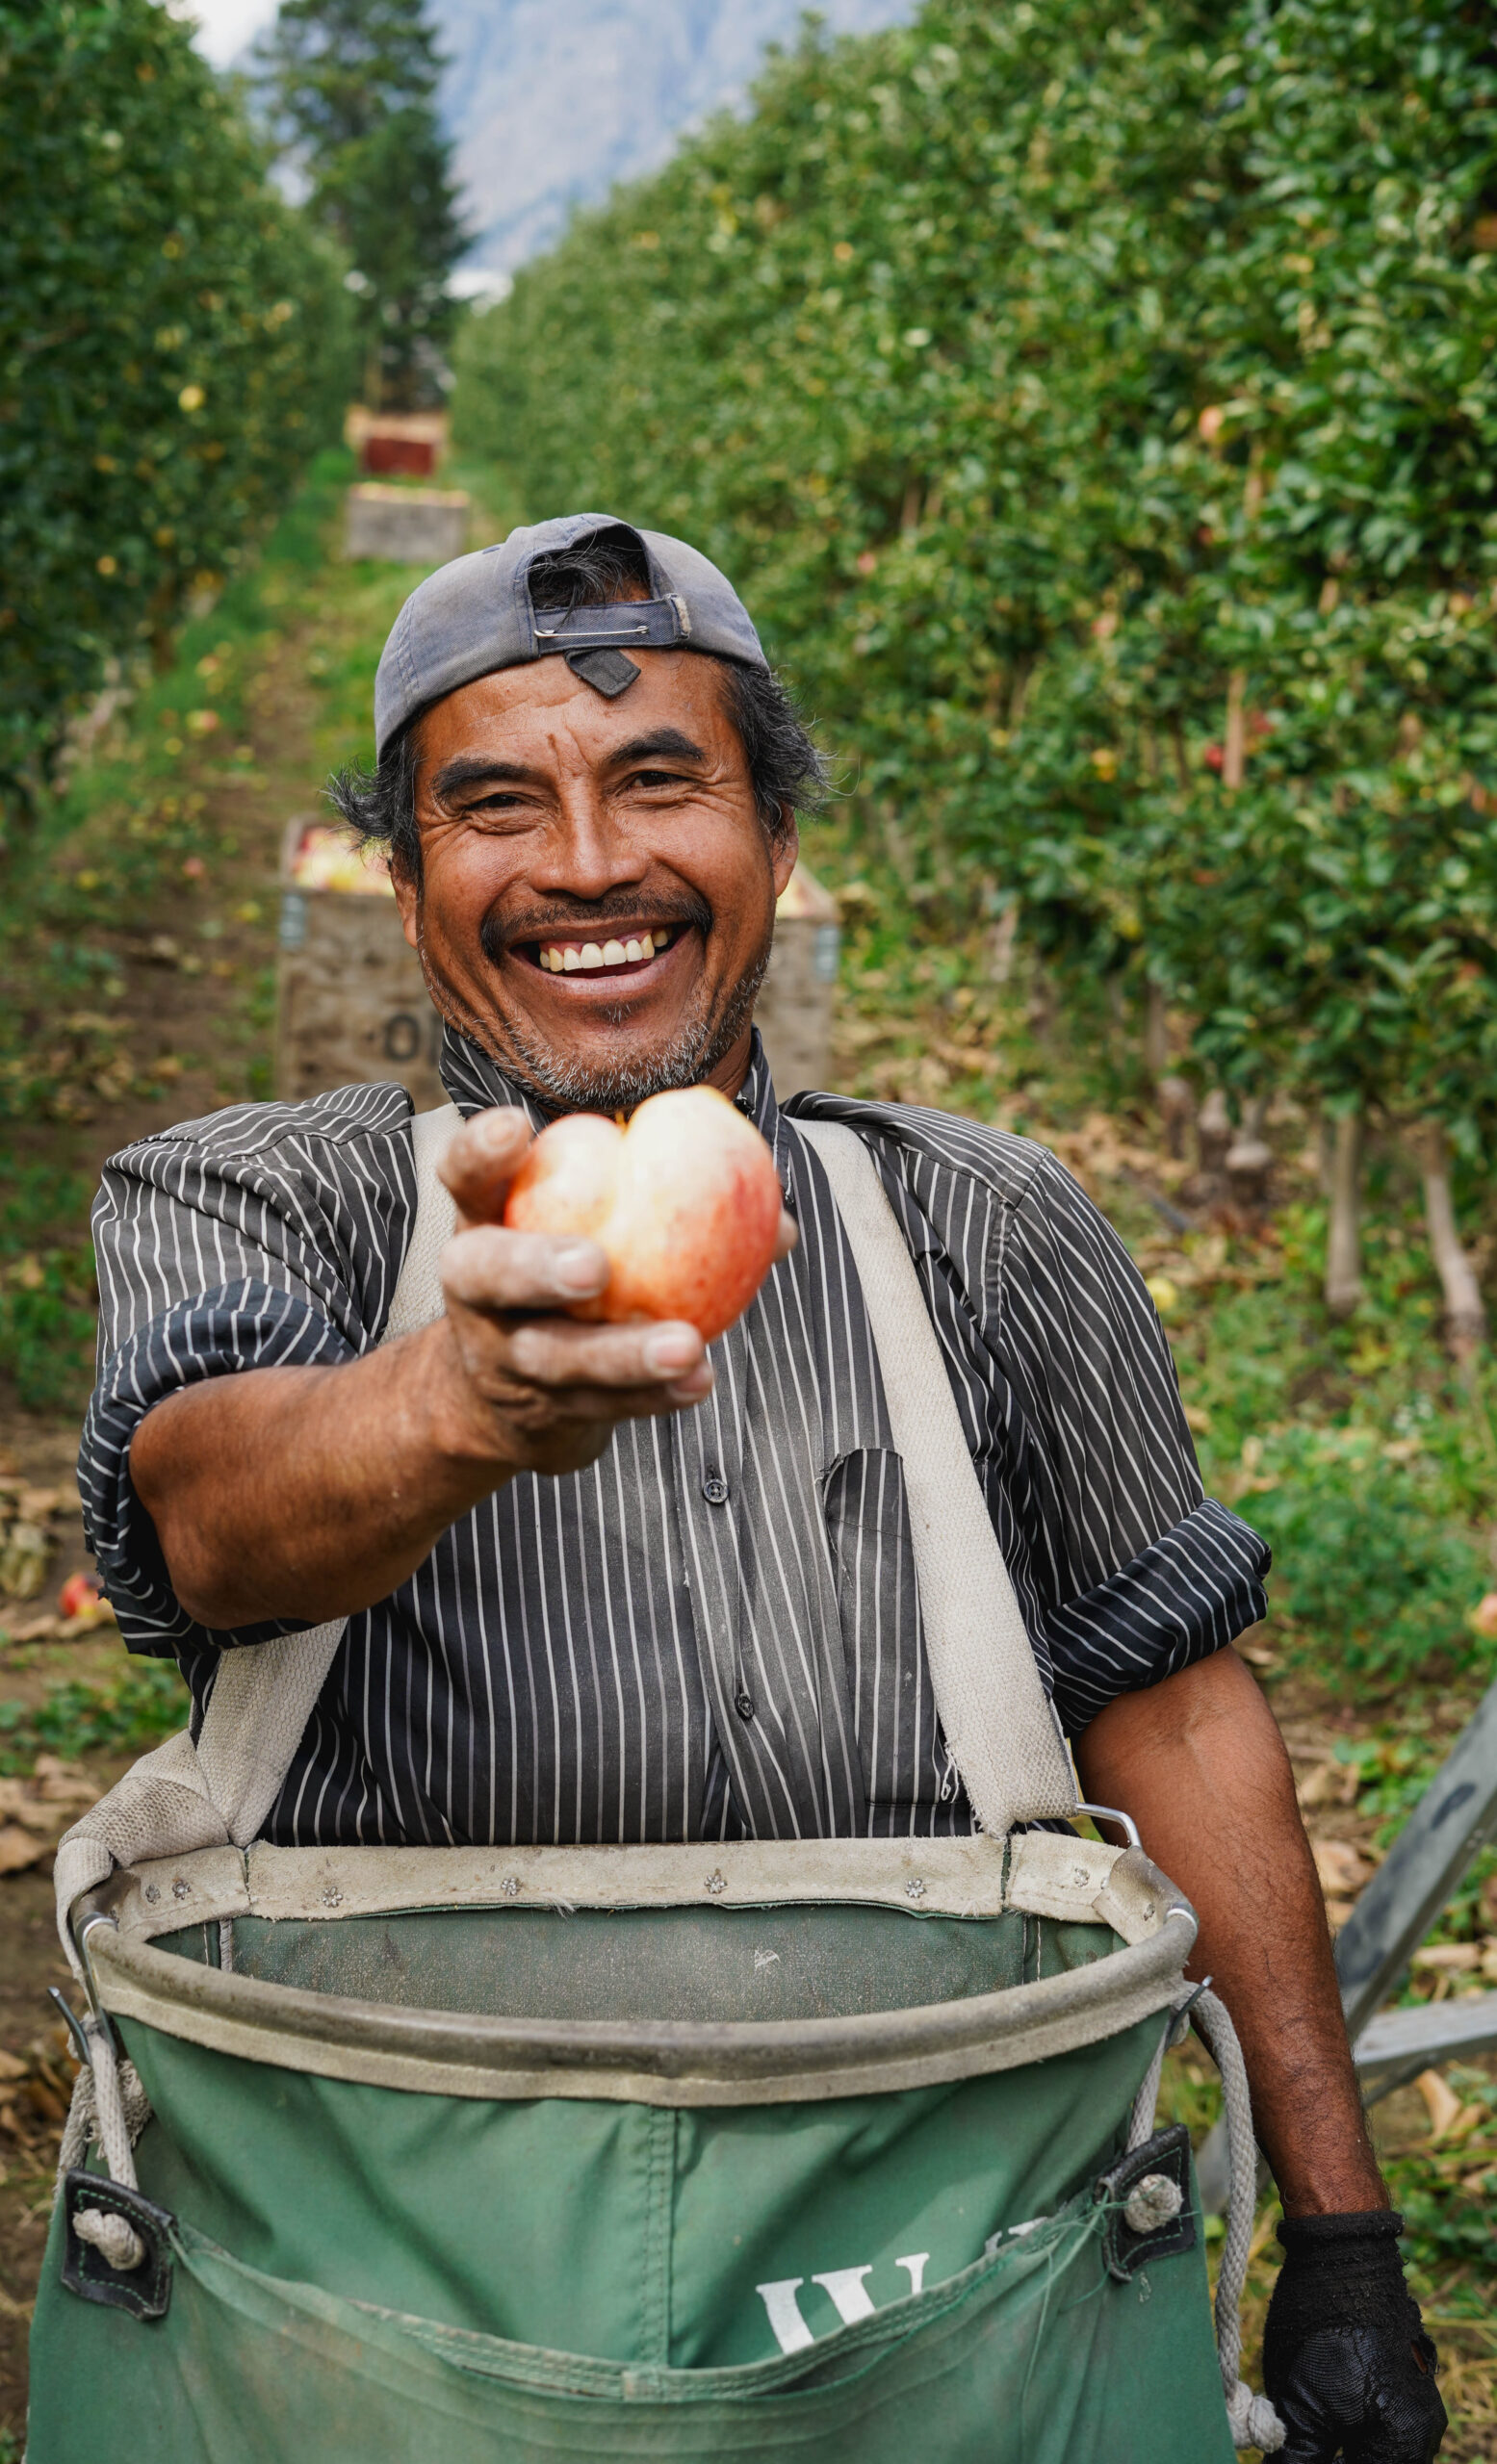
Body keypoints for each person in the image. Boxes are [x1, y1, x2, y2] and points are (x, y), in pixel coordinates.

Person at [81, 513, 1445, 2461]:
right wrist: (451, 1403)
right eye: (494, 806)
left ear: (777, 843)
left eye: (661, 781)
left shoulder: (985, 1226)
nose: (585, 862)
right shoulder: (253, 1196)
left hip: (928, 2260)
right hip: (383, 2256)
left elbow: (1171, 1706)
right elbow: (208, 1518)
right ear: (403, 884)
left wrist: (1343, 2234)